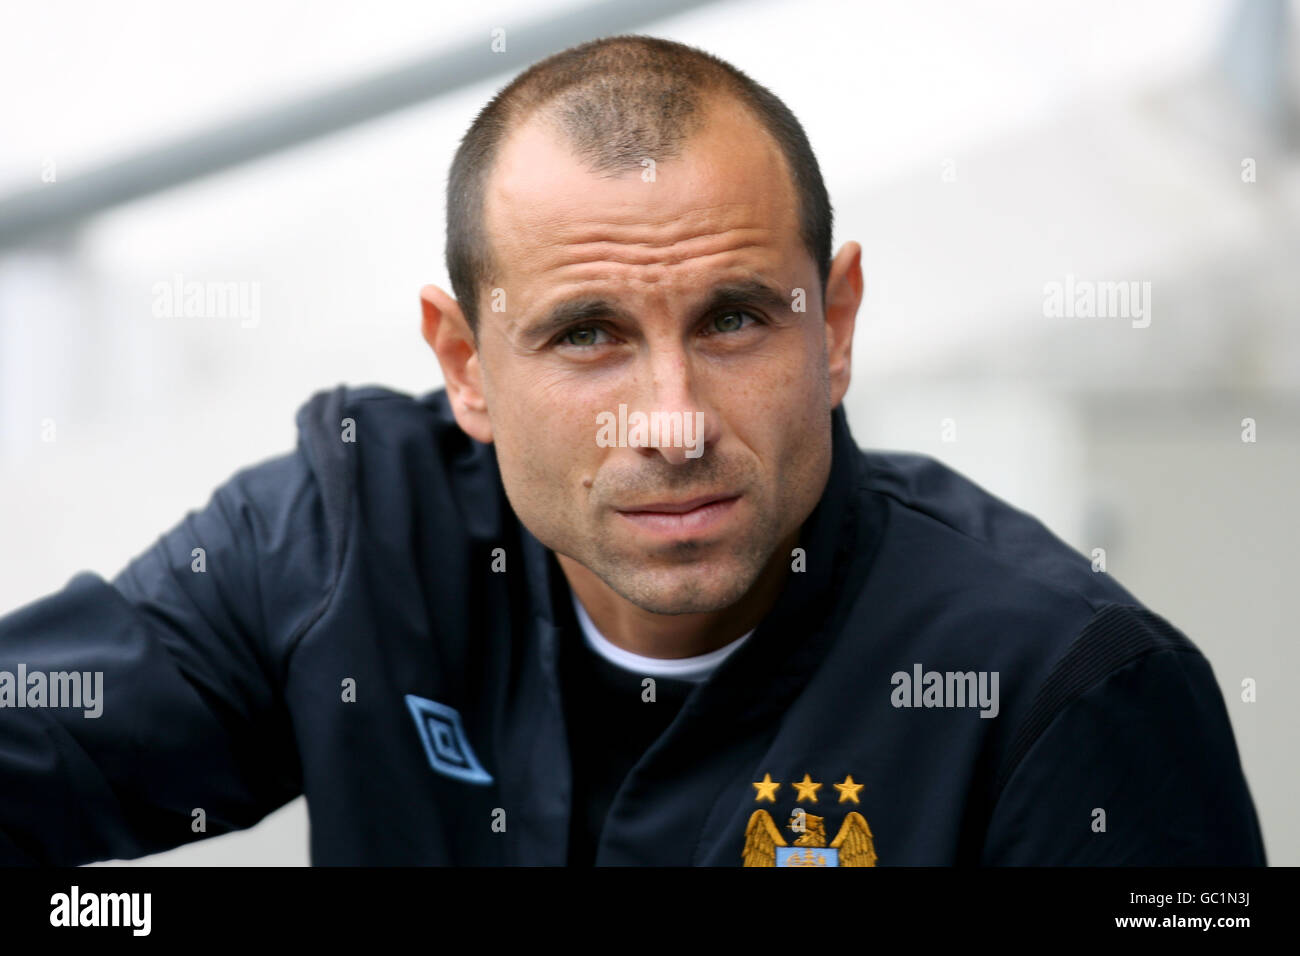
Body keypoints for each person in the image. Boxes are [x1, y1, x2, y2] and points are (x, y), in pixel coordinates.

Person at [0, 35, 1265, 866]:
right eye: (588, 334)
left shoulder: (1066, 689)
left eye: (731, 318)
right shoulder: (350, 544)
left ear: (834, 327)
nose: (671, 417)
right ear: (465, 366)